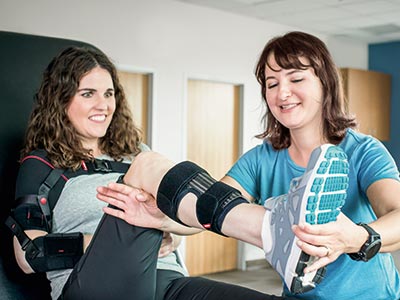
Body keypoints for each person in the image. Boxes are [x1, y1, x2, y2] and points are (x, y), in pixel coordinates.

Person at [97, 31, 400, 299]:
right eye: (272, 83)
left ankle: (277, 225)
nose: (282, 93)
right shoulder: (261, 158)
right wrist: (162, 220)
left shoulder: (362, 150)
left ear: (325, 84)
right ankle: (276, 226)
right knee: (209, 197)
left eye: (296, 79)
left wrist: (356, 238)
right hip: (298, 296)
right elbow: (209, 210)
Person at [9, 46, 293, 300]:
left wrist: (167, 236)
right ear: (60, 100)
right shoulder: (41, 164)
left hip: (165, 280)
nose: (103, 105)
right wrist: (109, 242)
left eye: (109, 94)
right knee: (146, 165)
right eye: (87, 94)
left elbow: (177, 226)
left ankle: (265, 228)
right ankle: (266, 228)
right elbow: (28, 254)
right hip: (94, 283)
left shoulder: (133, 150)